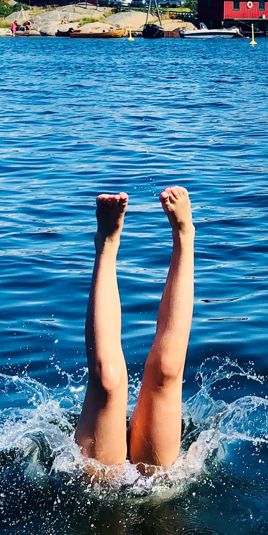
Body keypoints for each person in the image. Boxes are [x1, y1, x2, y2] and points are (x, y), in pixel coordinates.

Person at [74, 186, 195, 471]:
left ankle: (184, 235)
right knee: (107, 378)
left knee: (165, 368)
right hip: (152, 483)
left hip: (104, 488)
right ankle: (107, 242)